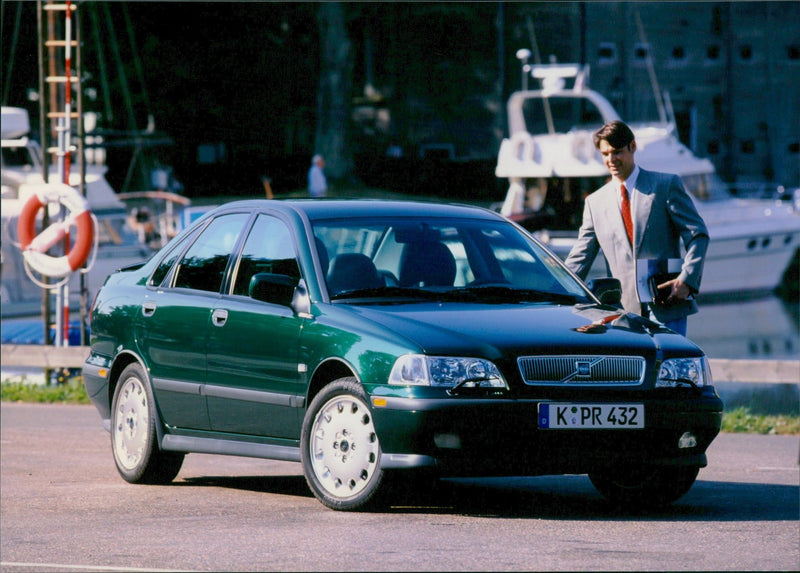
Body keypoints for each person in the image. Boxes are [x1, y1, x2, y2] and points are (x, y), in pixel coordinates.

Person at [563, 120, 709, 335]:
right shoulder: (595, 203)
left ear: (633, 146)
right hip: (622, 312)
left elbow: (698, 235)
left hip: (667, 303)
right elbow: (580, 258)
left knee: (669, 366)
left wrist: (687, 279)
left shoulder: (665, 186)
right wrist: (557, 289)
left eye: (617, 152)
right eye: (605, 154)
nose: (611, 160)